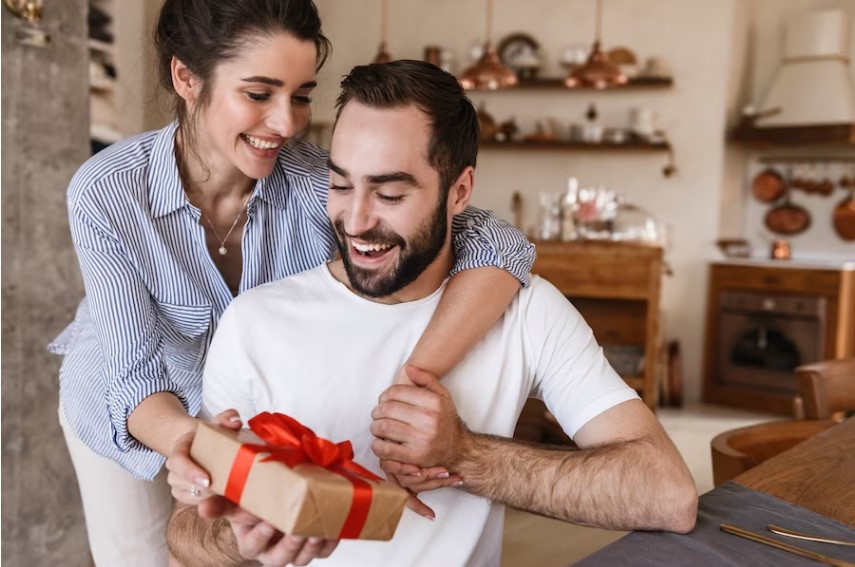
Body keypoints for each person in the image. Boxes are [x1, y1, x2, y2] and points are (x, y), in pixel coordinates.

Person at [48, 1, 535, 565]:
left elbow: (500, 244)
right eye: (259, 95)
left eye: (301, 96)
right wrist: (195, 446)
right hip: (127, 408)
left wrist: (411, 381)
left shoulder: (314, 184)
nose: (286, 123)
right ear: (186, 78)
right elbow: (132, 374)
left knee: (248, 552)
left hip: (248, 413)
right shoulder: (107, 192)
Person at [166, 60, 697, 567]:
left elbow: (668, 494)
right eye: (341, 184)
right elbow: (186, 540)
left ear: (459, 191)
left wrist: (465, 456)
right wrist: (237, 530)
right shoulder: (256, 321)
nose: (354, 220)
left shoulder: (526, 311)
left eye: (391, 193)